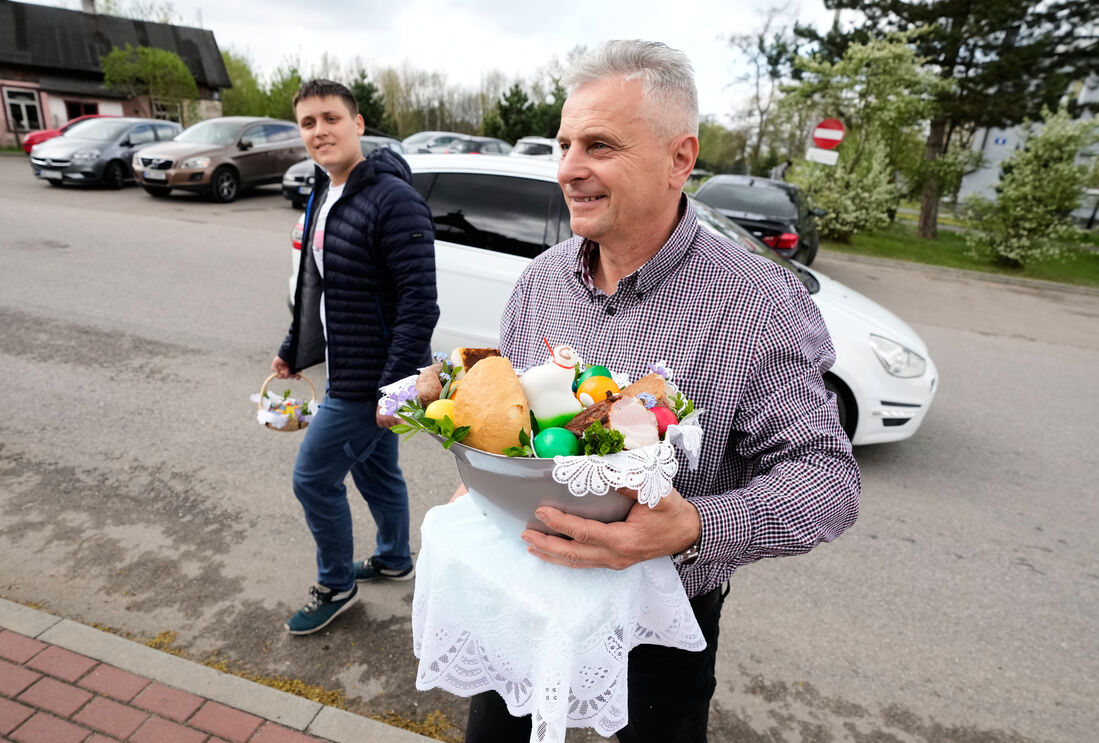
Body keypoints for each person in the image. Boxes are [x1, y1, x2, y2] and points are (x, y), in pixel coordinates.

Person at [465, 41, 860, 742]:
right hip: (529, 592)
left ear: (680, 158)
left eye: (598, 145)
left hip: (661, 623)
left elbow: (827, 480)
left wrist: (691, 526)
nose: (567, 169)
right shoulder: (540, 281)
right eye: (563, 145)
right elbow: (518, 423)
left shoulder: (757, 302)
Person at [272, 79, 438, 636]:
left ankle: (336, 584)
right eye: (308, 123)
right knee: (376, 469)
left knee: (312, 479)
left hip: (369, 382)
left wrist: (395, 391)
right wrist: (292, 350)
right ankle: (394, 558)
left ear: (358, 125)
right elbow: (314, 283)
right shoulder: (324, 192)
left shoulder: (393, 199)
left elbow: (420, 303)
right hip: (347, 364)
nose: (319, 131)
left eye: (330, 118)